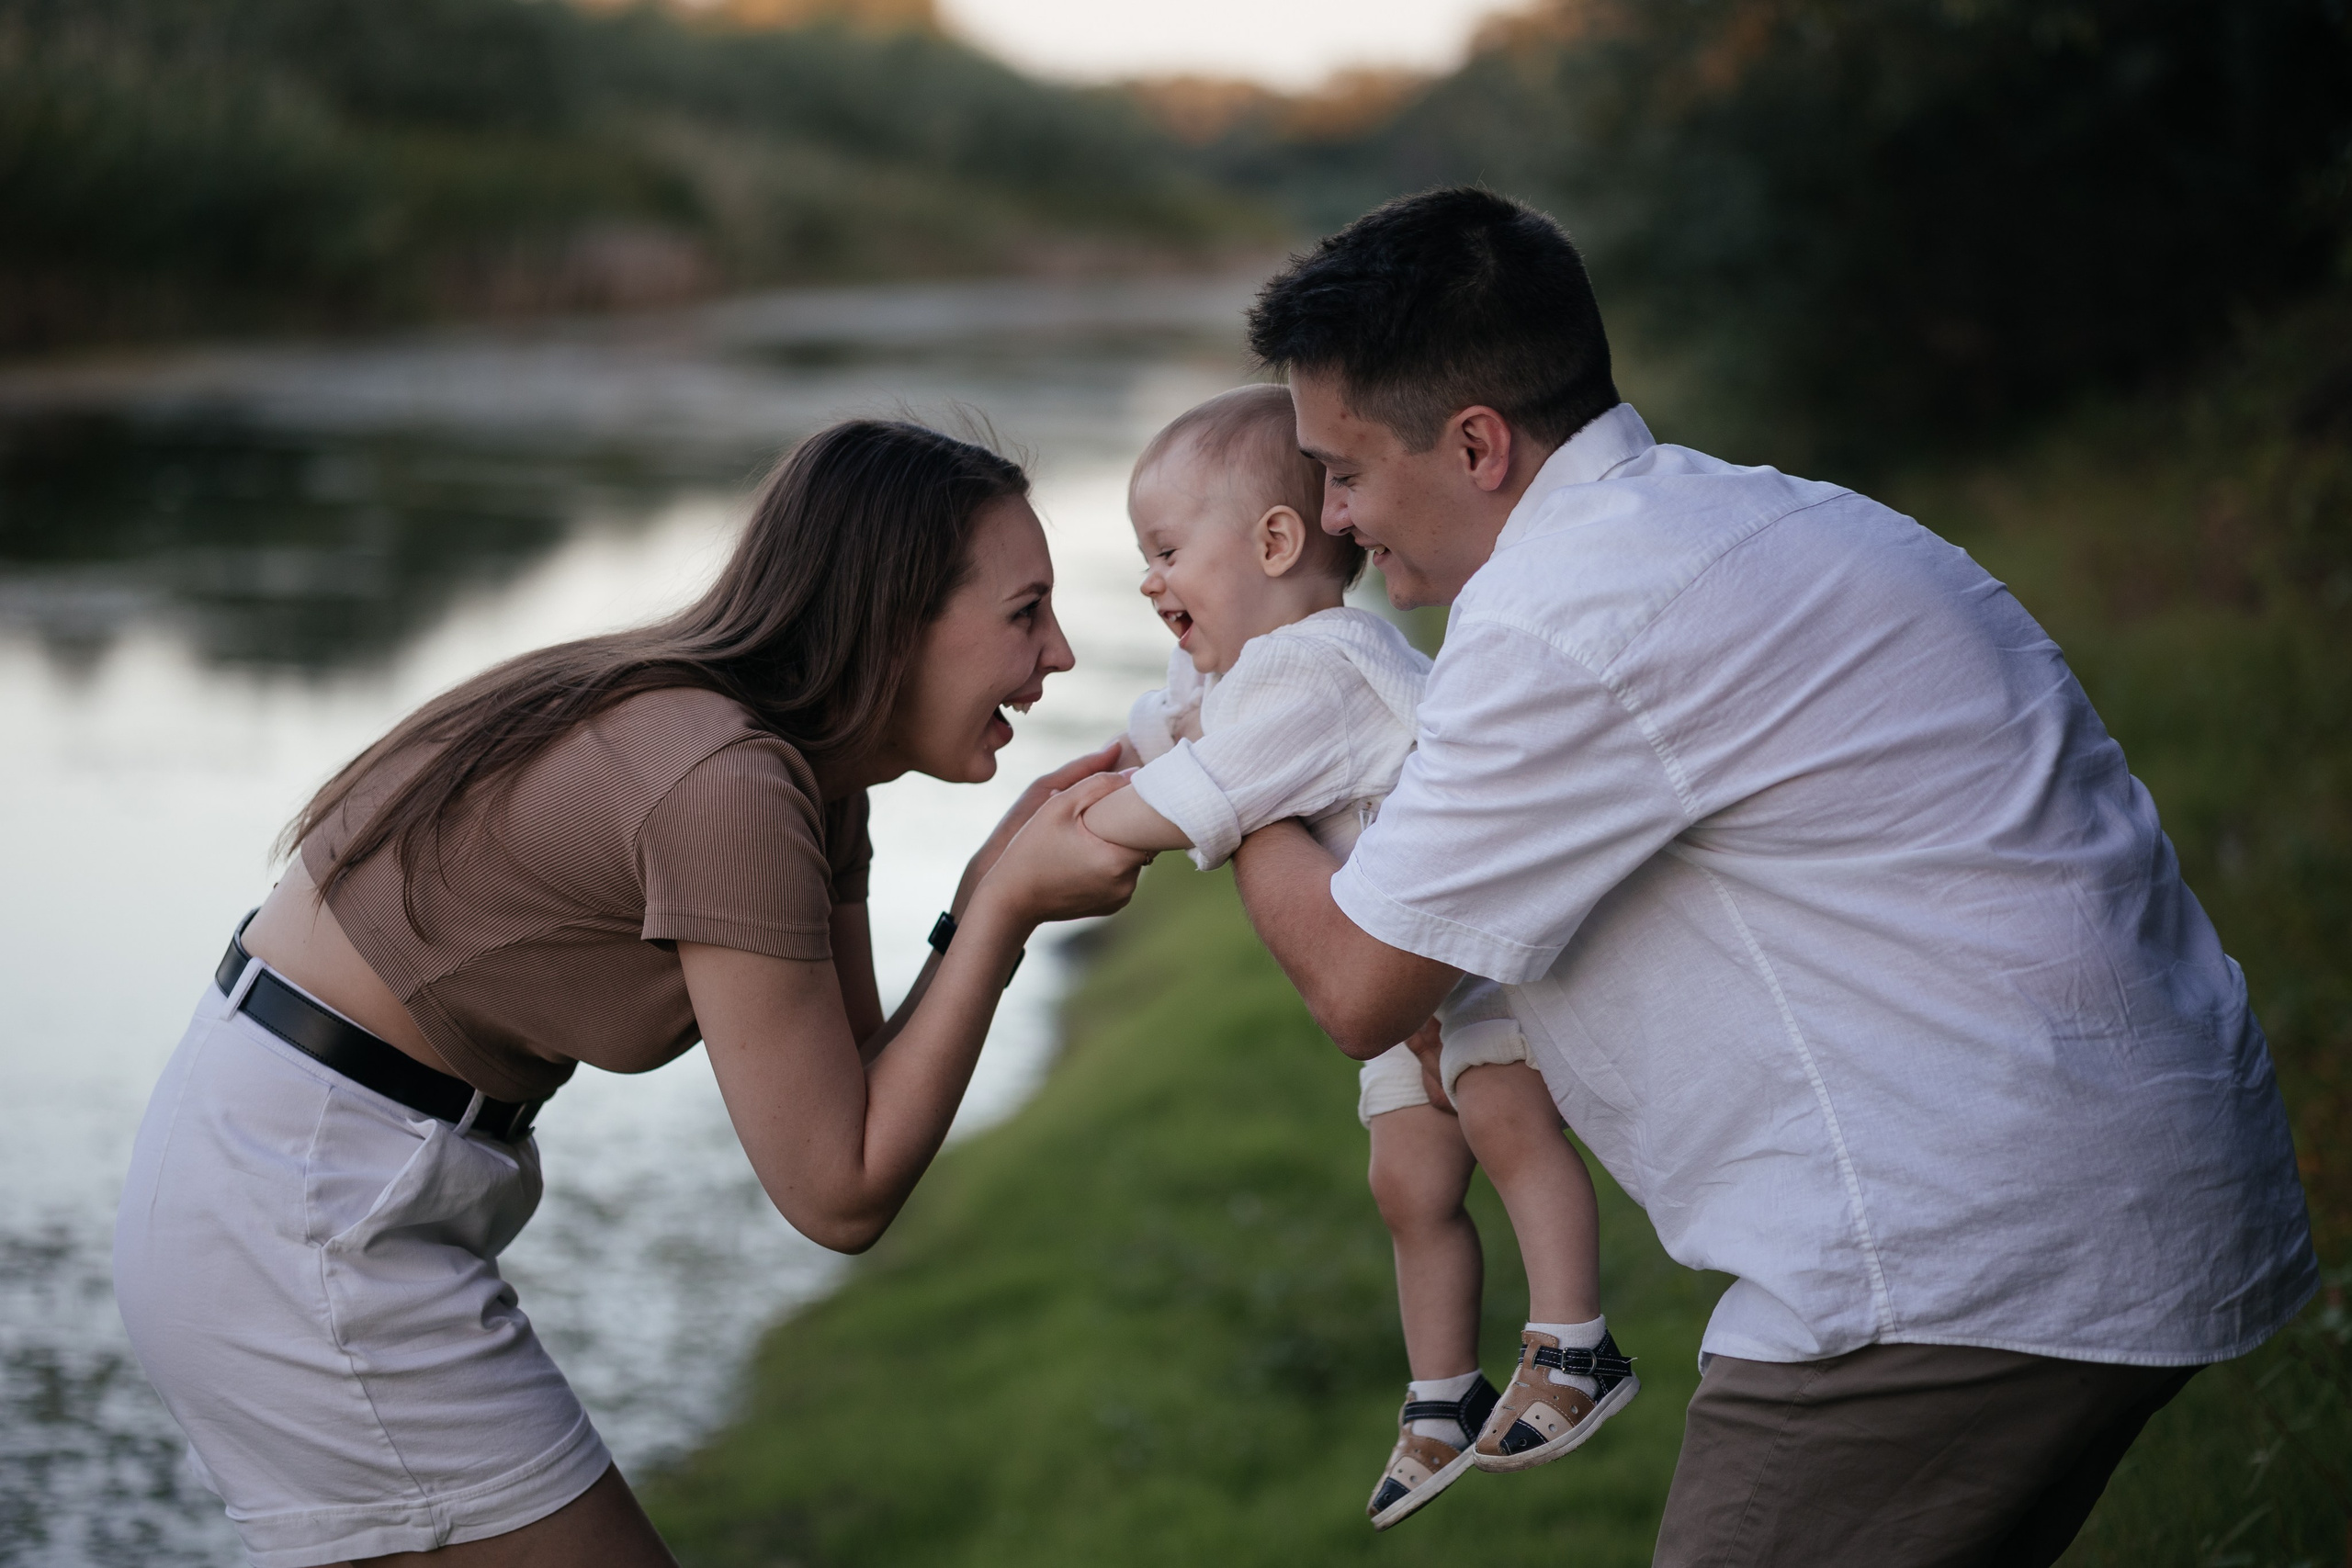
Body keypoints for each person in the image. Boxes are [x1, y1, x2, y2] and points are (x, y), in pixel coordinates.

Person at [1227, 187, 2318, 1566]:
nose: (1330, 517)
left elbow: (1359, 984)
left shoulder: (1564, 617)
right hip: (2124, 1171)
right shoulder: (1749, 516)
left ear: (1478, 444)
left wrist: (1232, 767)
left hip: (1960, 1254)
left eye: (1343, 470)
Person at [111, 420, 1145, 1568]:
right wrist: (1000, 918)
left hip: (287, 1173)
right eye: (1024, 612)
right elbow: (838, 1194)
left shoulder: (806, 770)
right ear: (892, 618)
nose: (1059, 652)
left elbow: (859, 1093)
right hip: (302, 1213)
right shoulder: (725, 781)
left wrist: (988, 886)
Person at [1080, 383, 1638, 1532]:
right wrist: (1100, 768)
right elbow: (1164, 730)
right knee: (1406, 1182)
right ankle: (1442, 1396)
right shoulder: (1233, 671)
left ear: (1275, 543)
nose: (1148, 581)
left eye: (1167, 552)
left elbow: (1191, 794)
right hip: (1394, 963)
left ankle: (1575, 1343)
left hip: (1472, 949)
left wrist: (1083, 829)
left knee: (1503, 1122)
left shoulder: (1319, 663)